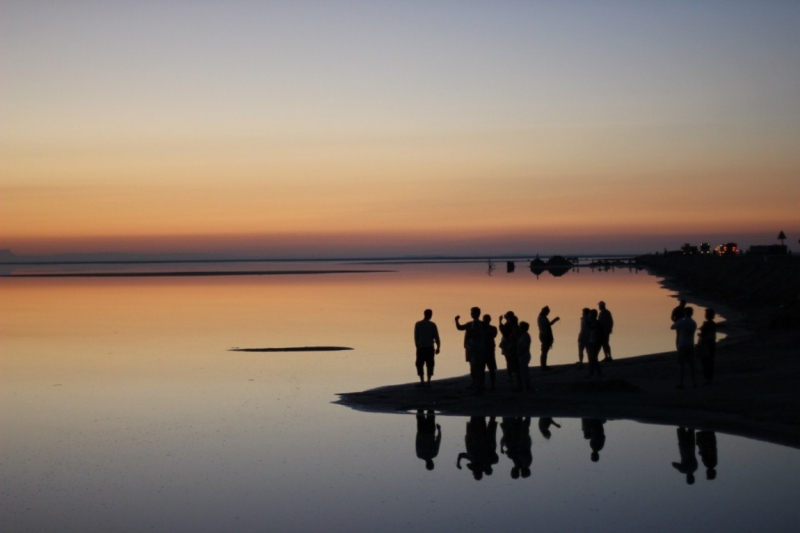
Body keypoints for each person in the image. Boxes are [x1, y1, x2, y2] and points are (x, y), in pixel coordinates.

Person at [456, 307, 486, 394]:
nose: (471, 314)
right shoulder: (471, 324)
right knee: (473, 366)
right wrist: (457, 321)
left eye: (472, 312)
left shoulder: (480, 324)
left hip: (477, 348)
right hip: (470, 348)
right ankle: (476, 383)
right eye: (471, 312)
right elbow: (460, 327)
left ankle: (479, 384)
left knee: (478, 366)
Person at [671, 306, 697, 389]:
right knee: (691, 365)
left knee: (681, 365)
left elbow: (672, 327)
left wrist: (678, 321)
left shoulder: (682, 321)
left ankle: (681, 384)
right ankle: (694, 382)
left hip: (682, 344)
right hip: (691, 344)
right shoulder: (693, 323)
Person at [413, 309, 440, 387]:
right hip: (429, 347)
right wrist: (438, 347)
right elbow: (436, 337)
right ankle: (428, 381)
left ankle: (422, 381)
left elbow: (416, 337)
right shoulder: (432, 325)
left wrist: (417, 346)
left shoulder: (418, 324)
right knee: (430, 364)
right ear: (430, 315)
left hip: (421, 347)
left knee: (419, 364)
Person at [697, 308, 717, 385]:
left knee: (705, 362)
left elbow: (703, 334)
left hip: (706, 344)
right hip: (712, 344)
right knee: (710, 361)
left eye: (706, 314)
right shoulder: (713, 324)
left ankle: (707, 379)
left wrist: (700, 334)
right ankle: (709, 378)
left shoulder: (707, 324)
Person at [499, 311, 520, 381]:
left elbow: (503, 332)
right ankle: (513, 374)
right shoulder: (514, 325)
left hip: (508, 344)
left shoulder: (509, 325)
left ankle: (511, 375)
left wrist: (500, 322)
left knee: (509, 360)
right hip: (510, 344)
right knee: (511, 360)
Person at [482, 314, 498, 391]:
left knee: (491, 369)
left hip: (489, 350)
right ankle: (483, 385)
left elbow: (493, 335)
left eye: (487, 319)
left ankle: (493, 385)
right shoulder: (481, 328)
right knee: (482, 369)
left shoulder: (493, 328)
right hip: (483, 350)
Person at [586, 309, 603, 379]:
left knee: (593, 357)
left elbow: (598, 333)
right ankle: (596, 372)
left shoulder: (597, 323)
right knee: (593, 358)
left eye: (591, 314)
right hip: (592, 341)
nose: (590, 315)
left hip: (596, 342)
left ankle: (593, 372)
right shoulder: (592, 323)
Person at [516, 321, 533, 391]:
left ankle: (527, 387)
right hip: (523, 354)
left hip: (524, 355)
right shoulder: (523, 336)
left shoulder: (525, 336)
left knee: (524, 371)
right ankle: (525, 386)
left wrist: (520, 352)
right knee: (523, 371)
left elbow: (525, 347)